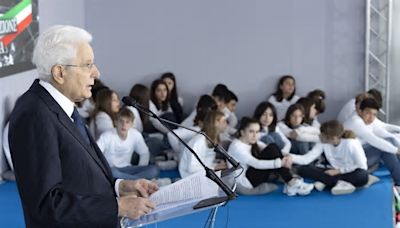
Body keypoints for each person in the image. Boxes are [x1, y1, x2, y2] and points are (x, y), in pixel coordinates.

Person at [8, 25, 158, 227]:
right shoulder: (35, 115)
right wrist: (117, 207)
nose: (96, 73)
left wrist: (121, 186)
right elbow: (47, 205)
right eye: (88, 64)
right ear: (60, 73)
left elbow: (79, 174)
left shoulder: (61, 104)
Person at [227, 117, 314, 196]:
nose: (255, 135)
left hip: (251, 174)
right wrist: (280, 163)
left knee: (273, 147)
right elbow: (256, 163)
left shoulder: (249, 141)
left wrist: (286, 157)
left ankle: (290, 181)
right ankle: (290, 182)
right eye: (251, 131)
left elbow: (269, 149)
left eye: (257, 132)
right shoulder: (237, 147)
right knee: (272, 148)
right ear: (242, 132)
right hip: (245, 182)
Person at [288, 120, 369, 195]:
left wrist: (339, 171)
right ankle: (337, 183)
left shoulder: (351, 143)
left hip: (351, 171)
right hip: (331, 171)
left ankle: (328, 182)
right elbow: (306, 159)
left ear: (333, 138)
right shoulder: (323, 142)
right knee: (304, 169)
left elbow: (362, 165)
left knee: (363, 176)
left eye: (322, 135)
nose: (319, 136)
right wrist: (289, 156)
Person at [344, 98, 400, 187]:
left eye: (374, 114)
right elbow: (373, 140)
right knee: (383, 149)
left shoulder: (367, 120)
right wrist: (396, 150)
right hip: (350, 163)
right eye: (368, 113)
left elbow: (381, 131)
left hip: (360, 156)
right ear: (360, 111)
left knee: (390, 140)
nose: (371, 117)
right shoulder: (355, 122)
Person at [96, 108, 160, 180]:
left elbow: (144, 153)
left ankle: (133, 180)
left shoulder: (135, 134)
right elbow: (96, 153)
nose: (124, 125)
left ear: (132, 124)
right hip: (112, 169)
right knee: (113, 173)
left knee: (154, 169)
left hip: (128, 169)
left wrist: (140, 167)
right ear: (115, 122)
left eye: (127, 122)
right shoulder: (106, 136)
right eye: (121, 121)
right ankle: (141, 181)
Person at [179, 110, 227, 178]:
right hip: (190, 177)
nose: (226, 124)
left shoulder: (213, 138)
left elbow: (205, 161)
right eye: (224, 121)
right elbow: (191, 168)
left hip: (203, 174)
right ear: (215, 123)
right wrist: (215, 167)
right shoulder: (199, 141)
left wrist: (217, 163)